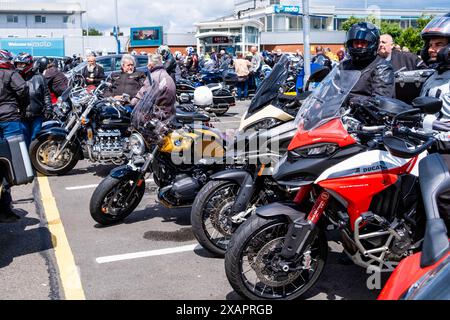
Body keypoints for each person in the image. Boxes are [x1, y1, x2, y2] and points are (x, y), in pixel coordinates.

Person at [418, 13, 450, 225]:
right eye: (430, 44)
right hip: (430, 146)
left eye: (438, 44)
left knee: (441, 194)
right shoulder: (434, 74)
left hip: (447, 148)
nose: (431, 49)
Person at [0, 50, 29, 223]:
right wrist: (21, 106)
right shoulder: (11, 74)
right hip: (10, 119)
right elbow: (24, 88)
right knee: (12, 163)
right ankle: (5, 207)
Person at [340, 22, 395, 104]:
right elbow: (332, 90)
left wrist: (349, 99)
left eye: (363, 43)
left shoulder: (382, 67)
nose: (359, 46)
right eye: (356, 43)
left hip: (364, 114)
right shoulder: (344, 65)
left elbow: (380, 100)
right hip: (340, 112)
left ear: (372, 44)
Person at [131, 53, 177, 139]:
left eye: (148, 64)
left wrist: (132, 102)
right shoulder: (166, 75)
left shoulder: (152, 77)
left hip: (157, 115)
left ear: (151, 65)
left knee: (136, 120)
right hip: (169, 113)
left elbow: (142, 93)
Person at [13, 52, 52, 146]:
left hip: (37, 115)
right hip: (21, 116)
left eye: (22, 64)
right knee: (23, 140)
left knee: (35, 141)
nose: (20, 66)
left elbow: (46, 94)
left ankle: (33, 160)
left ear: (28, 64)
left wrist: (49, 109)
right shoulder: (14, 77)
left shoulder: (39, 77)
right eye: (18, 64)